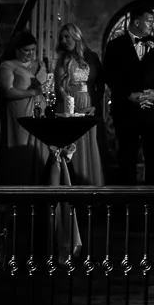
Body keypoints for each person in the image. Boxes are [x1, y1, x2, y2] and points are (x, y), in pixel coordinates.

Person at [104, 16, 154, 184]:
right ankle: (126, 195)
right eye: (149, 21)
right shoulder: (115, 45)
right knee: (126, 157)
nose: (153, 24)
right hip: (126, 109)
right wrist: (129, 95)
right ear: (137, 22)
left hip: (152, 110)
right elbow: (109, 74)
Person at [53, 23, 105, 185]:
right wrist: (70, 104)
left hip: (88, 103)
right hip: (69, 102)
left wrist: (95, 104)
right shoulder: (62, 59)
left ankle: (89, 181)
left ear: (76, 36)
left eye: (67, 36)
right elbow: (59, 87)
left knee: (89, 142)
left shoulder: (91, 57)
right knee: (72, 143)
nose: (63, 41)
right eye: (61, 38)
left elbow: (101, 83)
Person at [0, 30, 47, 185]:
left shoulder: (40, 64)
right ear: (16, 49)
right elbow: (8, 91)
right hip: (20, 112)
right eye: (26, 50)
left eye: (33, 50)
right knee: (21, 151)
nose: (30, 54)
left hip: (39, 111)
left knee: (39, 151)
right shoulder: (8, 65)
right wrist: (32, 92)